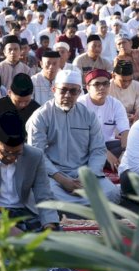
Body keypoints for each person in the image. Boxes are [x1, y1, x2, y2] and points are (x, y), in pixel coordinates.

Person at [26, 69, 121, 205]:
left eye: (73, 91)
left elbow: (98, 149)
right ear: (54, 90)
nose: (67, 95)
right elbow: (37, 154)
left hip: (84, 173)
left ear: (80, 92)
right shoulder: (41, 116)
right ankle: (86, 205)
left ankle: (70, 207)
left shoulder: (88, 115)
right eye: (63, 90)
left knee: (113, 193)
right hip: (53, 175)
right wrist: (62, 180)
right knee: (41, 192)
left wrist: (88, 178)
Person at [0, 112, 60, 231]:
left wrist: (49, 225)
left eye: (17, 153)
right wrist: (6, 227)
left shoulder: (35, 156)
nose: (11, 157)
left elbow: (44, 194)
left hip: (24, 212)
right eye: (5, 152)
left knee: (52, 238)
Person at [78, 69, 129, 172]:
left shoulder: (115, 104)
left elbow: (125, 131)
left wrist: (125, 153)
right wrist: (105, 153)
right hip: (85, 147)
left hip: (108, 145)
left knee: (135, 147)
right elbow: (82, 137)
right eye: (96, 84)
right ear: (88, 88)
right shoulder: (80, 105)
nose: (102, 87)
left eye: (105, 84)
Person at [109, 60, 139, 125]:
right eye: (123, 81)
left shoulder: (138, 87)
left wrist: (138, 117)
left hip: (132, 123)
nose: (127, 84)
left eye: (130, 80)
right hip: (112, 122)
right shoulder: (107, 87)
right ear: (113, 76)